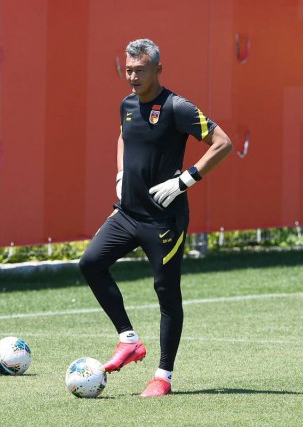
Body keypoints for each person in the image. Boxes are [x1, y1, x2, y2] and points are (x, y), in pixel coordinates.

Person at [79, 38, 232, 397]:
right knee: (90, 263)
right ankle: (129, 340)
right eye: (128, 70)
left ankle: (163, 376)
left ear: (158, 70)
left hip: (164, 221)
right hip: (127, 213)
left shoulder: (177, 107)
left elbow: (223, 142)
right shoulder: (127, 104)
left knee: (166, 292)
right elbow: (123, 137)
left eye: (140, 70)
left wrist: (184, 180)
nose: (133, 77)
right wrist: (121, 173)